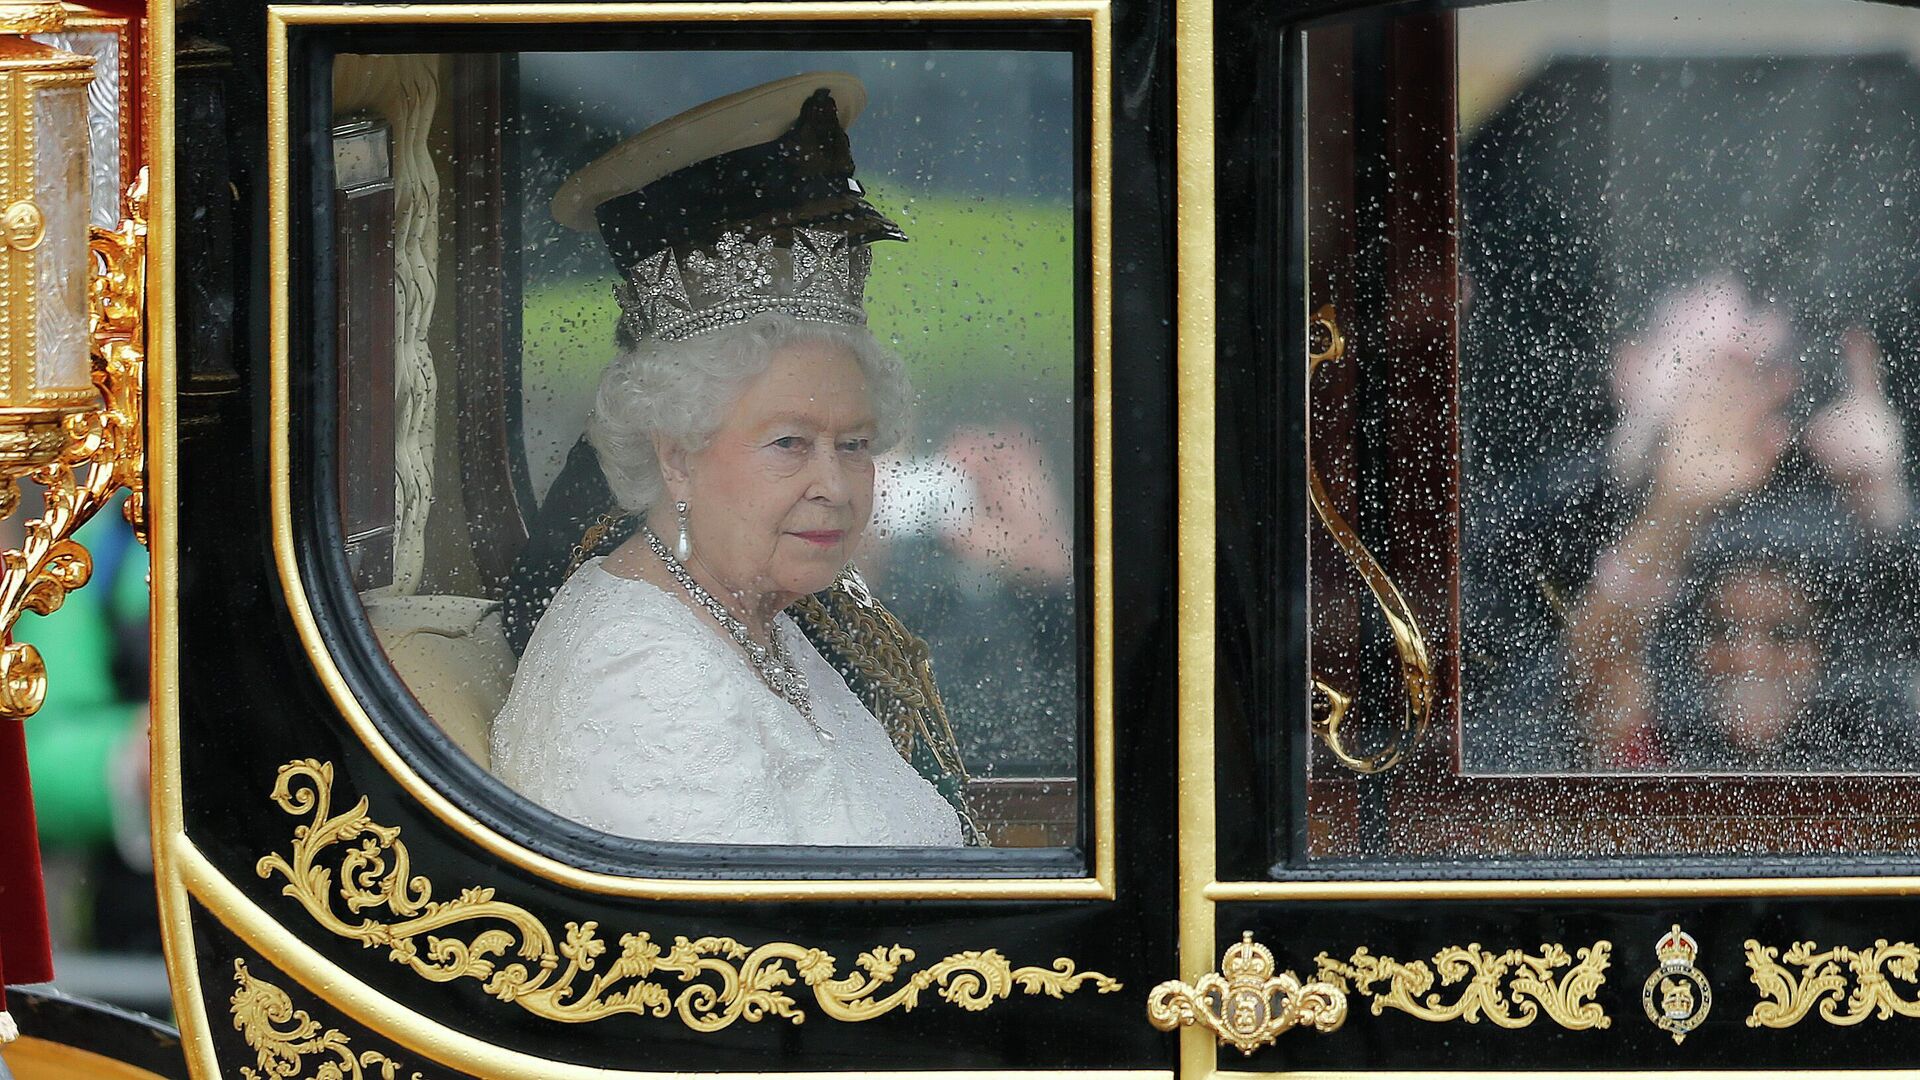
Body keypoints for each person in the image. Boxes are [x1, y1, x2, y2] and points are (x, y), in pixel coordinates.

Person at [491, 74, 969, 846]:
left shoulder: (760, 617)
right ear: (676, 456)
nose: (835, 486)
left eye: (854, 445)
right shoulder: (645, 676)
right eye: (789, 444)